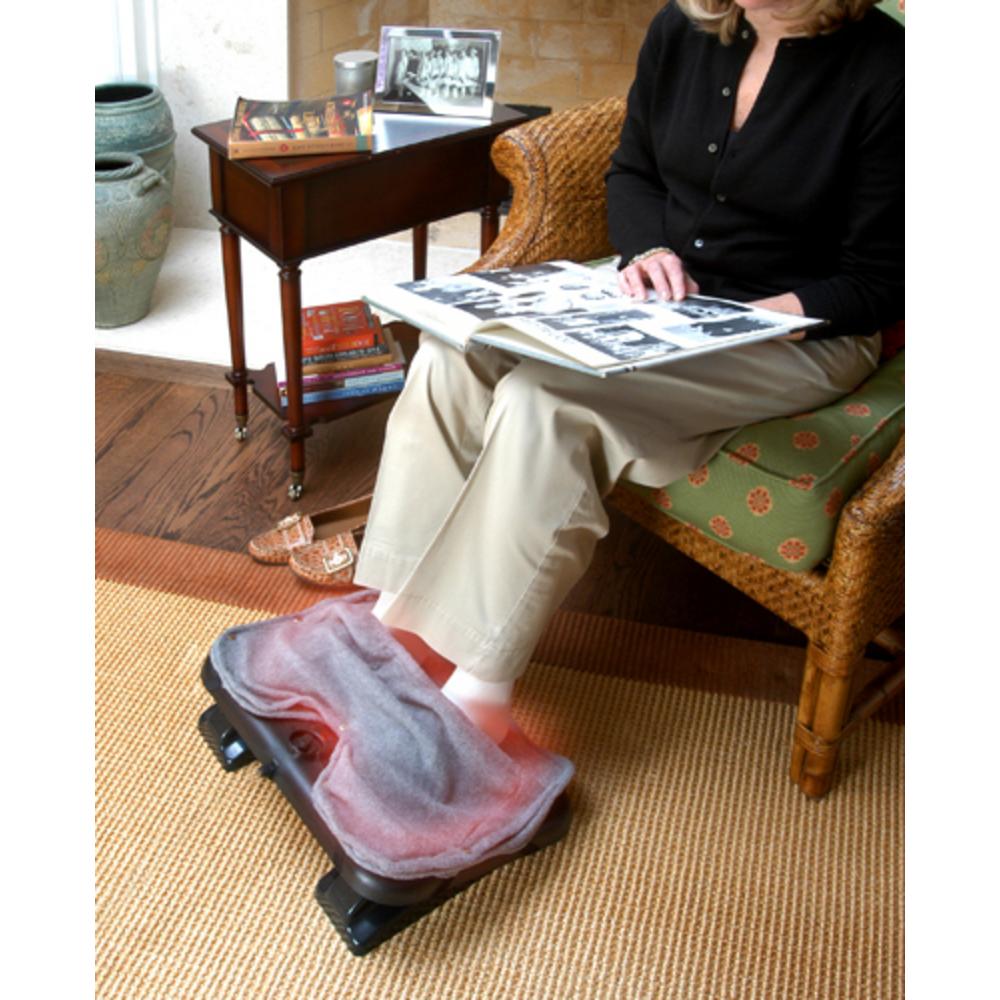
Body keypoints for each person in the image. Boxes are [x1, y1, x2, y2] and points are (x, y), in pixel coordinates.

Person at [351, 0, 903, 741]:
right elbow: (633, 171)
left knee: (545, 402)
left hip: (801, 335)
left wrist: (748, 319)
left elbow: (882, 279)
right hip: (658, 301)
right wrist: (647, 250)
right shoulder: (684, 27)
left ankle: (481, 689)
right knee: (454, 353)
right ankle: (397, 619)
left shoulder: (891, 73)